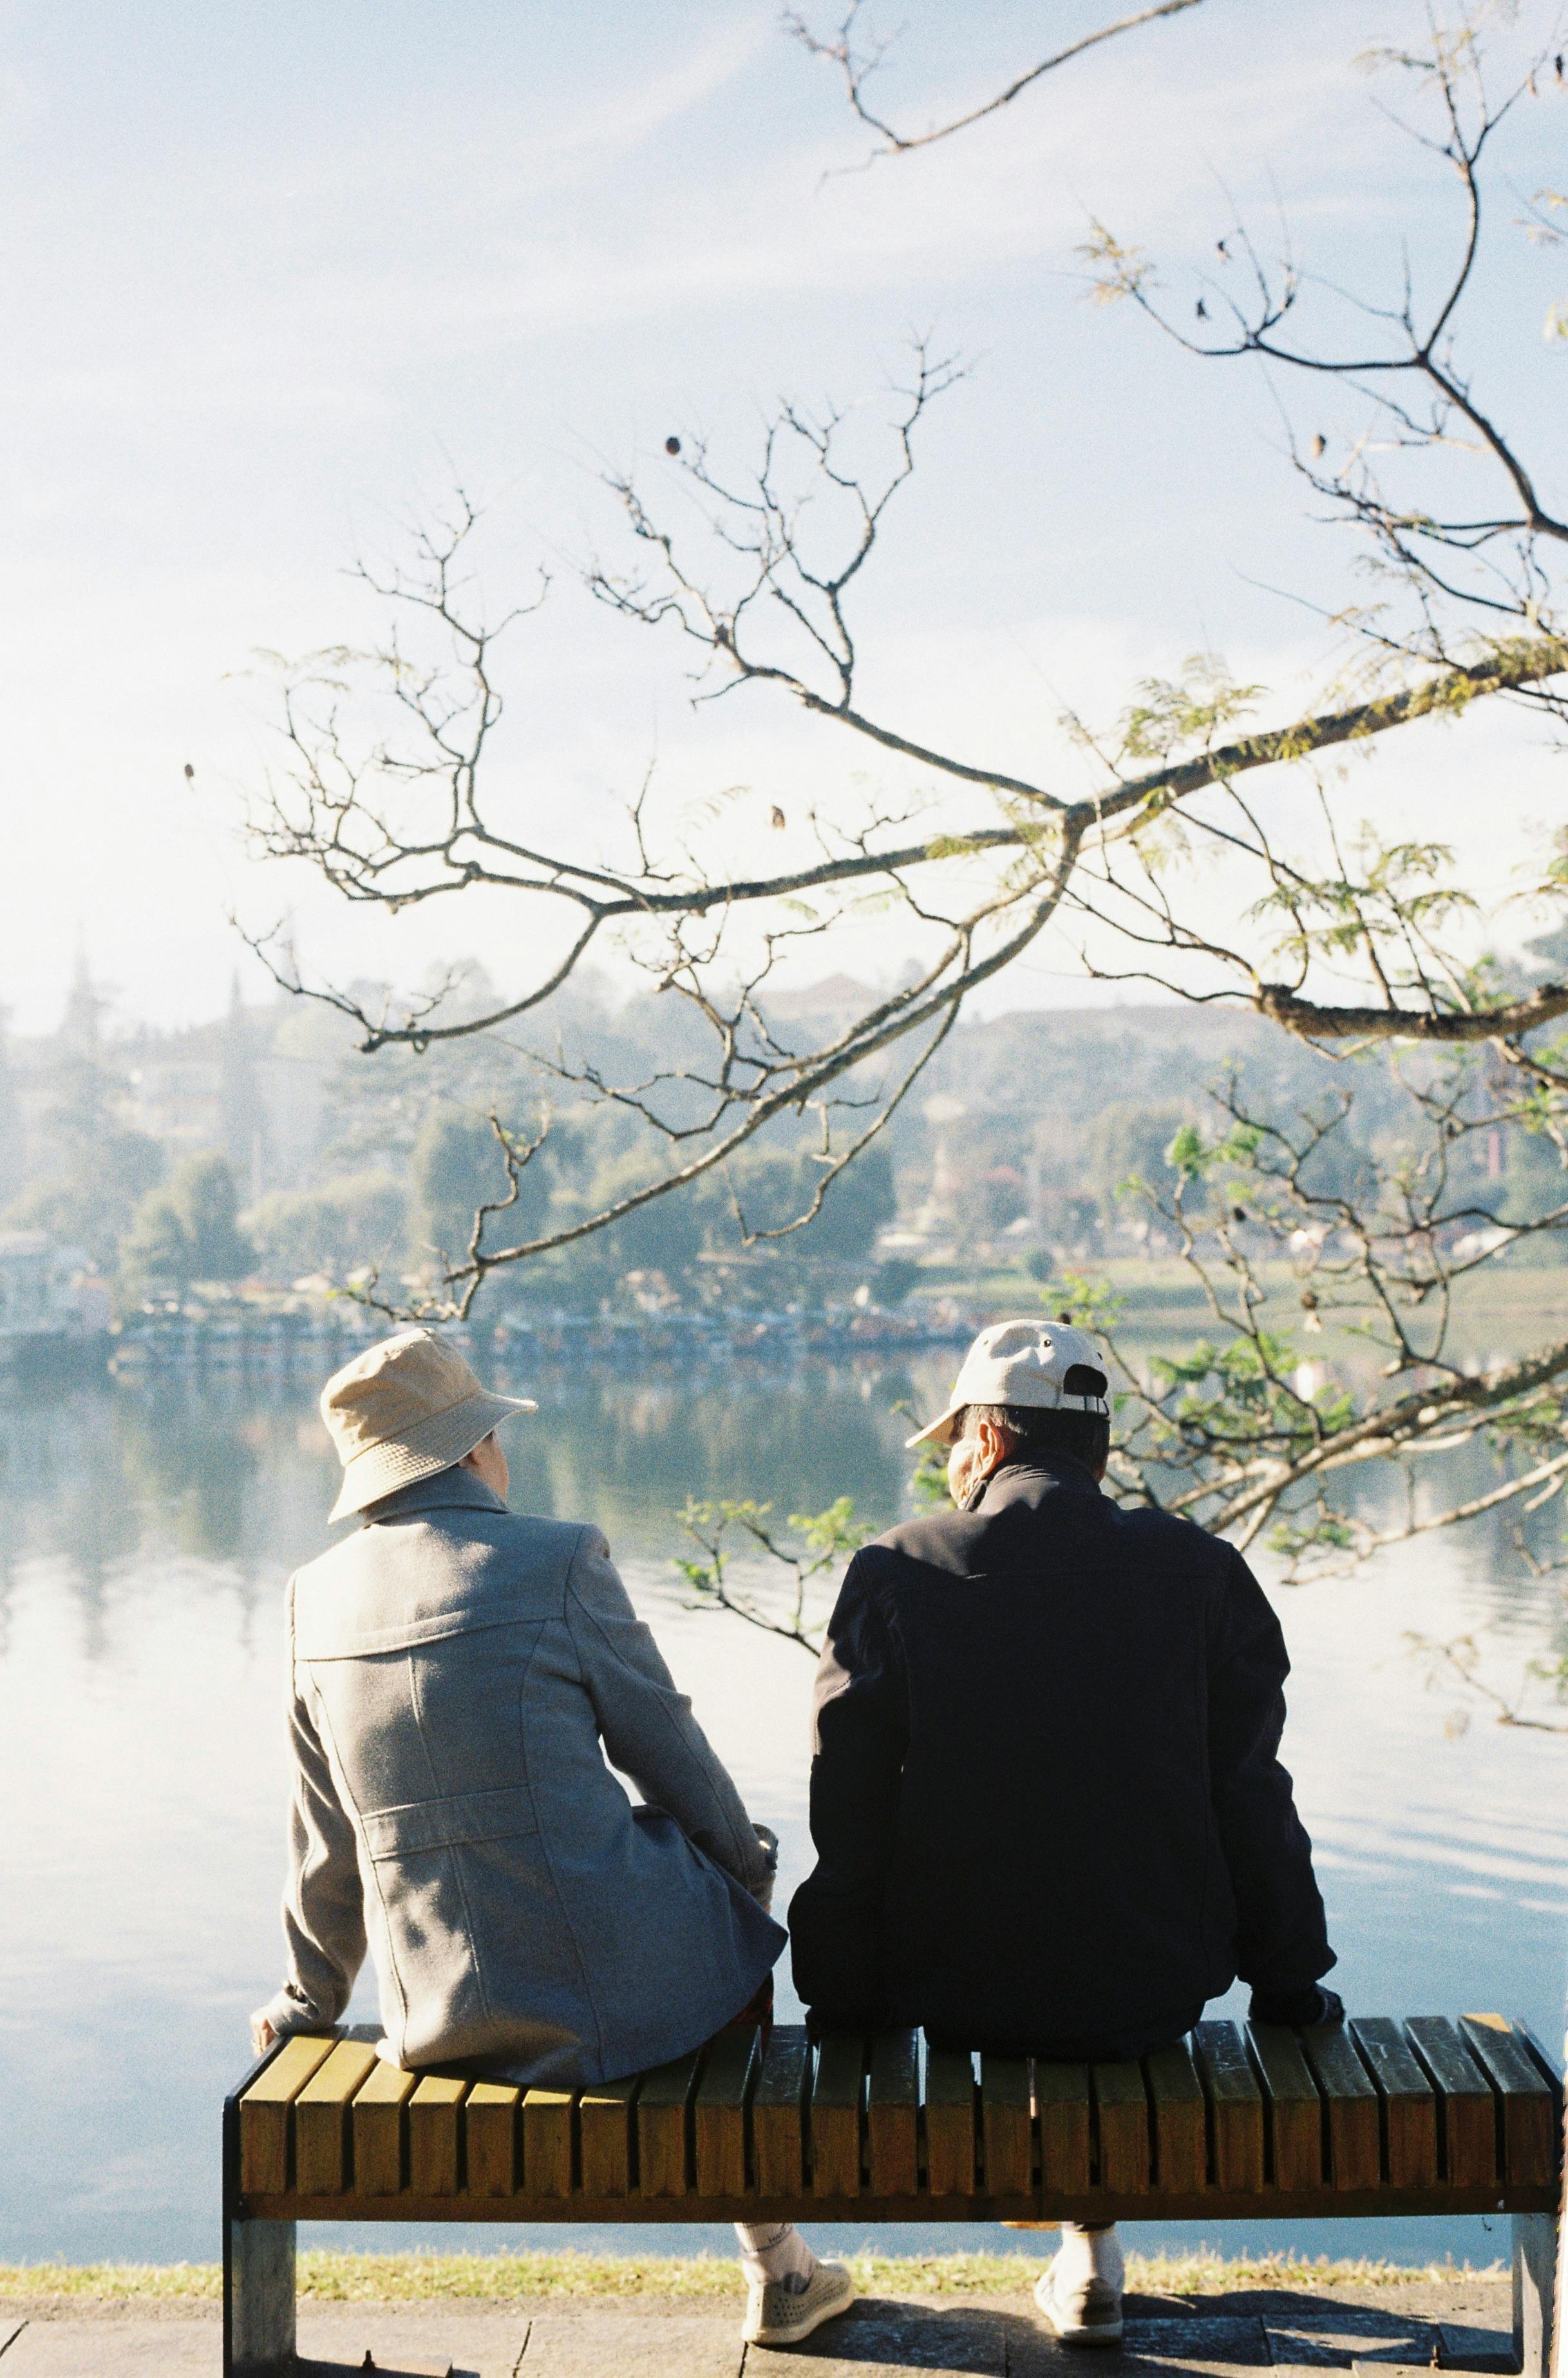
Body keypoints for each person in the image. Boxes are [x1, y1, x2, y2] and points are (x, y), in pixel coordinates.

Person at [250, 1327, 854, 2352]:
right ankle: (778, 2263)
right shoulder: (556, 1559)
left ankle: (782, 2261)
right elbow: (675, 1758)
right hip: (616, 1998)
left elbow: (324, 1841)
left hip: (443, 2020)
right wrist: (749, 1869)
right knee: (718, 1906)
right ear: (477, 1448)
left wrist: (310, 1994)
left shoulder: (315, 1600)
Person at [789, 1317, 1341, 2347]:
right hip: (1153, 1992)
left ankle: (1085, 2256)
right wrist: (1291, 1981)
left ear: (989, 1442)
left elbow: (848, 1810)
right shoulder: (1203, 1572)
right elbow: (1252, 1797)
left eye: (953, 1441)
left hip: (955, 1994)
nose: (950, 1465)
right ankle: (1092, 2255)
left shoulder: (898, 1570)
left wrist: (844, 1996)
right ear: (1097, 1450)